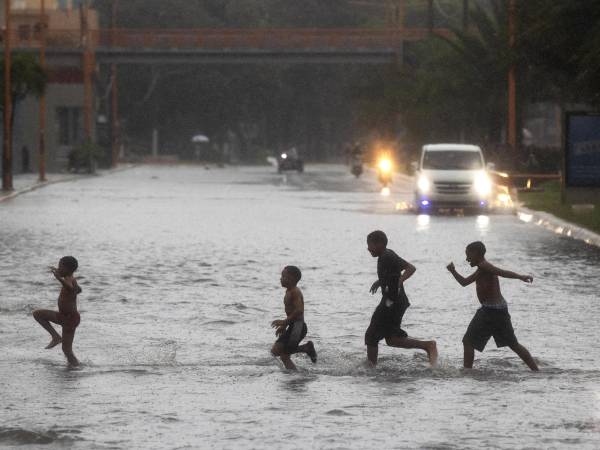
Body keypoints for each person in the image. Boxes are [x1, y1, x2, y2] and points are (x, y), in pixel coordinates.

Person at [446, 241, 539, 371]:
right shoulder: (481, 268)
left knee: (468, 341)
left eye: (468, 255)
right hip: (498, 310)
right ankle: (535, 370)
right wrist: (453, 271)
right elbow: (464, 282)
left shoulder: (484, 266)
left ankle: (467, 372)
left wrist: (520, 277)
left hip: (490, 311)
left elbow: (502, 272)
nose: (467, 259)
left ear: (476, 253)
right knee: (513, 344)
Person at [365, 231, 438, 367]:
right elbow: (399, 271)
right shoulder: (386, 254)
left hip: (392, 302)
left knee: (371, 336)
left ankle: (370, 369)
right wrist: (380, 281)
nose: (368, 248)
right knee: (392, 339)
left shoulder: (387, 256)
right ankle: (428, 345)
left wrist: (399, 282)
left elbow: (410, 269)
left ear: (379, 244)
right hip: (396, 301)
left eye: (370, 245)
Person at [33, 256, 82, 366]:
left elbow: (69, 287)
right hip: (65, 316)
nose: (58, 268)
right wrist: (75, 290)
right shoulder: (71, 278)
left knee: (67, 350)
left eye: (61, 266)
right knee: (37, 314)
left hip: (69, 318)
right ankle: (56, 337)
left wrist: (59, 278)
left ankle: (75, 367)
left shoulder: (69, 279)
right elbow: (78, 290)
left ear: (68, 269)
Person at [271, 266, 317, 370]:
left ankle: (306, 349)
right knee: (275, 352)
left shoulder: (295, 292)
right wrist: (285, 325)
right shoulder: (288, 291)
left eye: (283, 276)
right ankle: (294, 379)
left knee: (283, 355)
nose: (280, 278)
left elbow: (299, 311)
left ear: (291, 278)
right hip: (292, 326)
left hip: (298, 327)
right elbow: (292, 312)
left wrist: (284, 322)